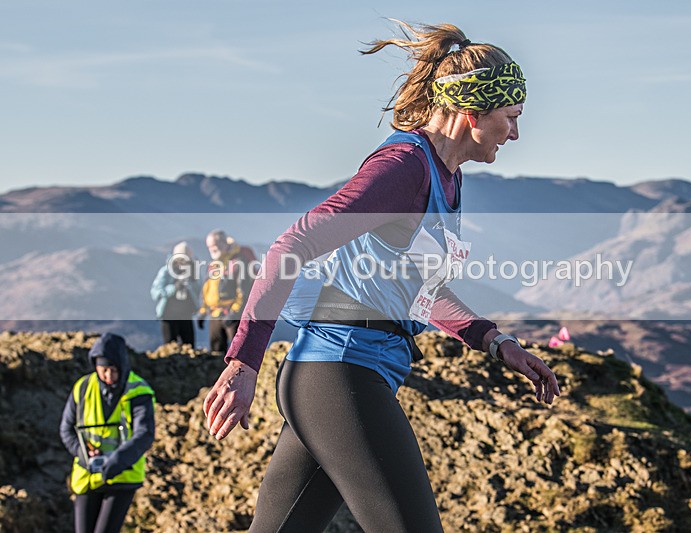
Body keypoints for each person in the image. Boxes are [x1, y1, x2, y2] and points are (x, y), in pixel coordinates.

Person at [203, 21, 561, 532]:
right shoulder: (403, 168)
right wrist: (243, 361)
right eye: (512, 116)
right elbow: (291, 247)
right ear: (472, 111)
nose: (517, 133)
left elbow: (420, 291)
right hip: (340, 374)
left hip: (342, 377)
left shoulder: (446, 177)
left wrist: (496, 341)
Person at [59, 333, 156, 533]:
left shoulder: (139, 391)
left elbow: (144, 434)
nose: (109, 377)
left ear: (123, 366)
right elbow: (67, 429)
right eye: (104, 370)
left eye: (114, 370)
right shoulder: (83, 388)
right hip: (87, 474)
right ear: (95, 366)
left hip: (123, 476)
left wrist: (116, 461)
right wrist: (83, 453)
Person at [198, 229, 258, 353]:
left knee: (238, 353)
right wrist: (203, 311)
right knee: (216, 352)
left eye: (215, 245)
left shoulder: (238, 263)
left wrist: (234, 313)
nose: (212, 249)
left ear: (225, 243)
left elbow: (243, 291)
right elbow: (207, 289)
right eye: (209, 246)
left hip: (232, 315)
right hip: (214, 315)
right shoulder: (213, 265)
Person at [150, 241, 202, 348]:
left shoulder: (193, 272)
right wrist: (174, 288)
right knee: (170, 347)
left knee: (189, 346)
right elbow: (155, 292)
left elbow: (199, 292)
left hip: (186, 315)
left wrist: (192, 282)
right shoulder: (166, 271)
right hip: (169, 316)